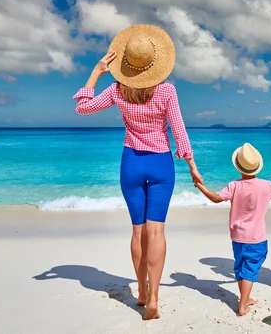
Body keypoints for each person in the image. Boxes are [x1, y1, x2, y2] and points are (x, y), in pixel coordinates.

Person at [72, 24, 203, 320]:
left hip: (131, 162)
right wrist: (192, 166)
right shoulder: (167, 90)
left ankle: (141, 293)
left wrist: (95, 72)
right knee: (156, 231)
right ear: (156, 63)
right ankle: (154, 296)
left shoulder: (118, 89)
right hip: (160, 164)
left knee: (137, 231)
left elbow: (83, 108)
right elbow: (179, 132)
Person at [194, 142, 271, 316]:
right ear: (257, 167)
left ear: (239, 167)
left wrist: (200, 186)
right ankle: (242, 305)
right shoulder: (265, 185)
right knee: (250, 269)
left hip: (237, 236)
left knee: (240, 267)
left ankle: (245, 298)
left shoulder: (234, 185)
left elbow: (216, 198)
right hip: (256, 237)